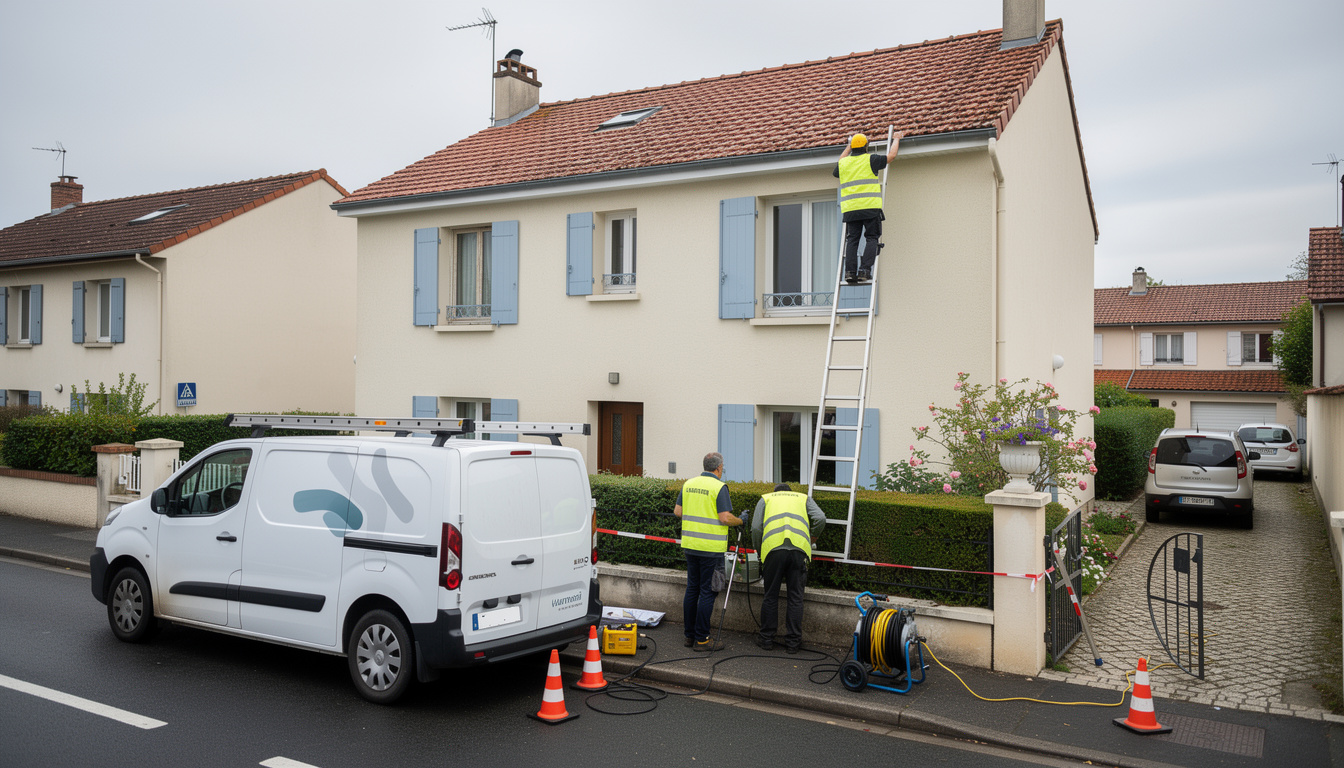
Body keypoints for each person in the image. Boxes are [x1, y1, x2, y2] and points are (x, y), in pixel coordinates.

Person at [673, 452, 743, 652]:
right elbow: (725, 518)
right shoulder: (719, 487)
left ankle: (689, 636)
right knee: (707, 592)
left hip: (690, 546)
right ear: (719, 468)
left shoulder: (688, 484)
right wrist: (741, 520)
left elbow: (678, 512)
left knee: (692, 589)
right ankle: (702, 639)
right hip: (711, 550)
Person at [751, 483, 826, 653]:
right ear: (790, 493)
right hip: (799, 551)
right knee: (796, 597)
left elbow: (756, 528)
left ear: (776, 493)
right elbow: (821, 518)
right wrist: (812, 538)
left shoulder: (766, 499)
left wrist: (759, 550)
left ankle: (767, 640)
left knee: (770, 595)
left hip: (773, 550)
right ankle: (793, 643)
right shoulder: (803, 498)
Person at [833, 131, 904, 283]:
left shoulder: (843, 163)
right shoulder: (870, 159)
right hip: (870, 207)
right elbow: (891, 156)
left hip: (851, 209)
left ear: (852, 148)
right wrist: (896, 139)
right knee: (872, 238)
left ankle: (850, 273)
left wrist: (848, 146)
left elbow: (839, 162)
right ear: (866, 146)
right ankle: (865, 271)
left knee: (852, 240)